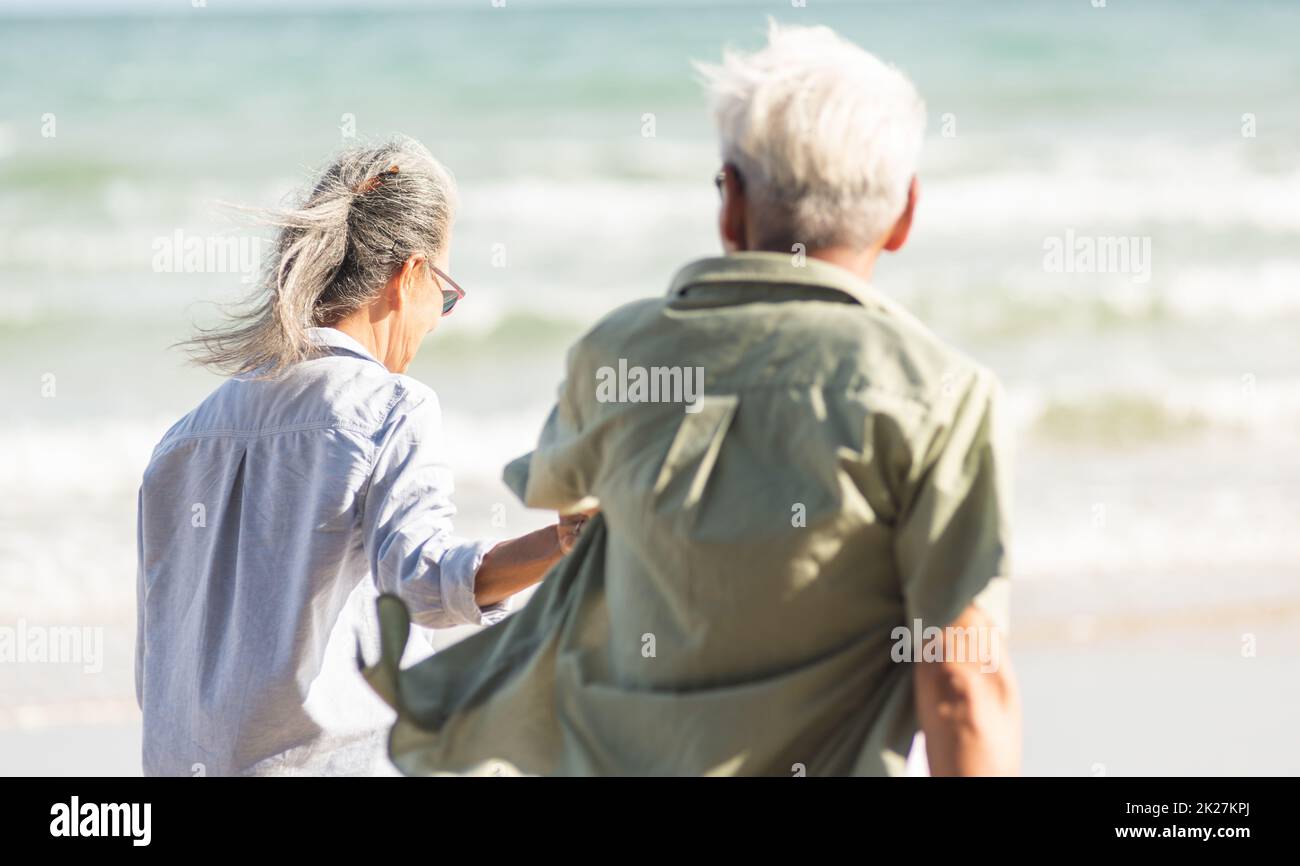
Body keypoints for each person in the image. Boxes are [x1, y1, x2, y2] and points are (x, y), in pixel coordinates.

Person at [363, 23, 1021, 776]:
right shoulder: (944, 398)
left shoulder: (616, 354)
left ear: (731, 204)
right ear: (904, 215)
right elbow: (963, 685)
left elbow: (567, 509)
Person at [136, 136, 582, 776]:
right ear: (412, 276)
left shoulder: (180, 442)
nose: (438, 320)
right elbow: (425, 586)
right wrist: (563, 541)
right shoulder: (392, 407)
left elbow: (157, 668)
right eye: (446, 295)